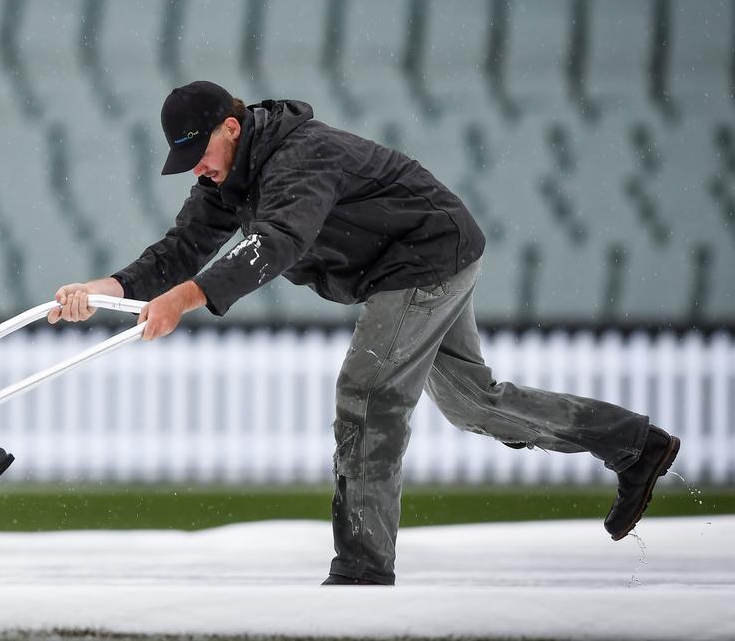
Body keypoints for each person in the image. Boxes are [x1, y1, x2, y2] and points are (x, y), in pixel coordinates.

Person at [46, 80, 682, 586]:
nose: (195, 171)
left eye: (199, 154)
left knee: (369, 396)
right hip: (415, 261)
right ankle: (633, 444)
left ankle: (362, 570)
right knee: (473, 402)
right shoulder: (230, 179)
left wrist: (185, 300)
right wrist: (110, 288)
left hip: (424, 257)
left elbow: (279, 243)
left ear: (231, 128)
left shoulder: (301, 156)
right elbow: (182, 248)